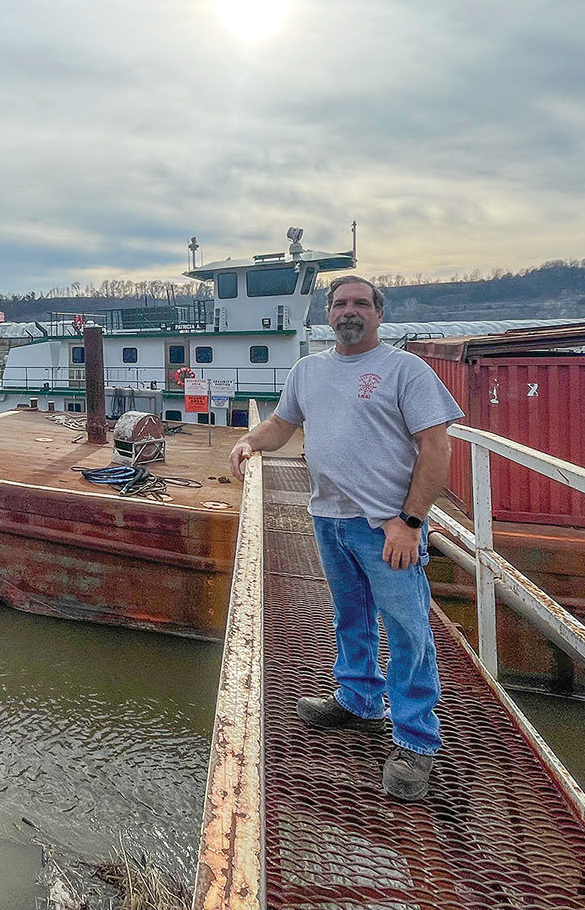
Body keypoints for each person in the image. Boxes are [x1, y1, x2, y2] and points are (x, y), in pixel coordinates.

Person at [228, 275, 461, 800]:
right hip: (329, 518)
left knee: (407, 629)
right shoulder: (308, 371)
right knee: (350, 615)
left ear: (379, 314)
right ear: (327, 315)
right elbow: (282, 427)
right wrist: (248, 440)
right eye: (339, 304)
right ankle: (358, 699)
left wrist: (411, 521)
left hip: (387, 525)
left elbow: (435, 447)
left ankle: (416, 741)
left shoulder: (406, 370)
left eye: (360, 303)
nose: (348, 311)